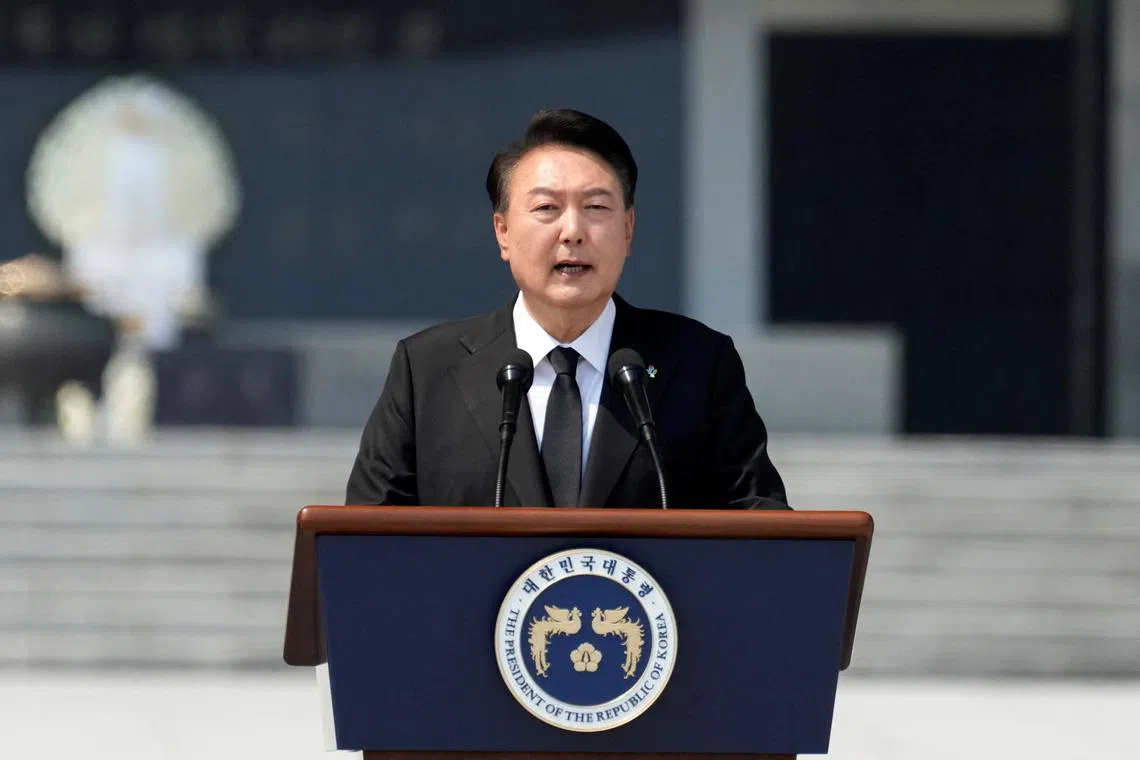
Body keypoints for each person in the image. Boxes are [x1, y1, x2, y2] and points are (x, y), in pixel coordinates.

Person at [346, 108, 788, 510]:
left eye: (596, 207)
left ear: (629, 229)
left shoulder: (698, 364)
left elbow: (762, 529)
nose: (572, 231)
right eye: (547, 208)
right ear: (502, 232)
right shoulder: (427, 371)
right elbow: (364, 544)